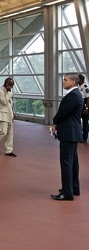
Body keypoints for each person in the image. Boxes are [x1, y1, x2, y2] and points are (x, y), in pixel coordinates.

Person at [50, 73, 83, 201]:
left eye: (65, 80)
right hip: (72, 132)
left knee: (66, 162)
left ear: (73, 82)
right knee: (73, 161)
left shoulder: (73, 95)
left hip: (69, 132)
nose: (63, 82)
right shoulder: (75, 95)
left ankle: (67, 192)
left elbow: (63, 112)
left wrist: (55, 122)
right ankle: (74, 187)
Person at [78, 74, 89, 143]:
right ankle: (79, 136)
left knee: (85, 122)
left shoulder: (86, 87)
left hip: (84, 105)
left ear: (80, 79)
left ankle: (84, 137)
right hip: (79, 105)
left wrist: (87, 108)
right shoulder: (78, 87)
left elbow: (88, 98)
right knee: (77, 121)